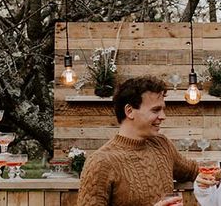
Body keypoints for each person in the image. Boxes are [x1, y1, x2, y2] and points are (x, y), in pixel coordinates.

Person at [78, 75, 199, 206]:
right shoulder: (100, 162)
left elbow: (193, 171)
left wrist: (220, 175)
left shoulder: (161, 144)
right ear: (129, 111)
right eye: (155, 110)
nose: (163, 116)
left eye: (163, 109)